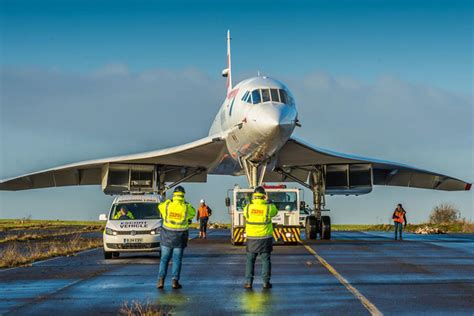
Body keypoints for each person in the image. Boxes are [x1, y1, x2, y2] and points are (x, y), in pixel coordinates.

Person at [157, 186, 196, 289]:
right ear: (183, 195)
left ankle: (160, 281)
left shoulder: (167, 205)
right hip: (180, 238)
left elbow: (159, 207)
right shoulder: (186, 207)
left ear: (174, 194)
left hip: (166, 236)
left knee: (164, 259)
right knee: (177, 260)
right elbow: (193, 213)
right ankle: (175, 281)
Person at [243, 186, 278, 289]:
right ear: (264, 195)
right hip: (265, 238)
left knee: (250, 260)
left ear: (254, 195)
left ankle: (249, 282)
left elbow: (245, 215)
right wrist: (270, 202)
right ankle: (266, 282)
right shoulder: (268, 207)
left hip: (251, 238)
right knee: (266, 260)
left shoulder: (248, 207)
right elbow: (275, 212)